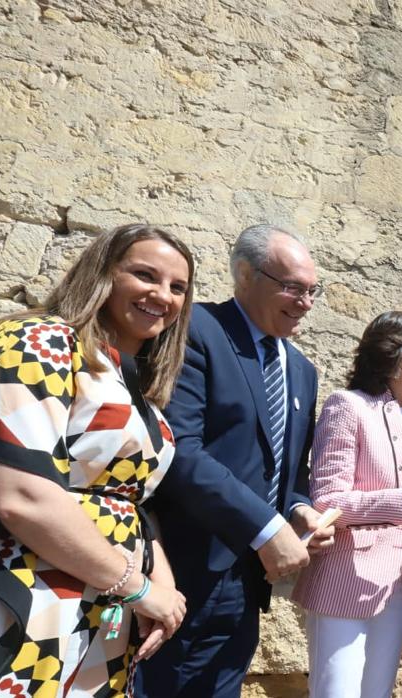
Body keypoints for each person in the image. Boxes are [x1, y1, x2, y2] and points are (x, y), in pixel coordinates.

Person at [0, 224, 192, 695]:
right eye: (145, 275)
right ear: (103, 275)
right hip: (22, 598)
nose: (163, 294)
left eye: (178, 287)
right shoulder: (37, 342)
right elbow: (22, 497)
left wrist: (162, 586)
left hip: (101, 615)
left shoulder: (130, 381)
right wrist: (136, 586)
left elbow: (129, 502)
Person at [137, 224, 336, 697]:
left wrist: (298, 509)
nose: (305, 302)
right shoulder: (197, 330)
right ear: (244, 275)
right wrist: (268, 529)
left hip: (248, 581)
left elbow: (290, 468)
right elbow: (180, 448)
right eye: (291, 287)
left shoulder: (302, 371)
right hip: (183, 570)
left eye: (312, 290)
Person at [291, 310, 402, 698]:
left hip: (401, 581)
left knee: (378, 693)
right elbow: (328, 500)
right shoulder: (346, 406)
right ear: (394, 352)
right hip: (344, 578)